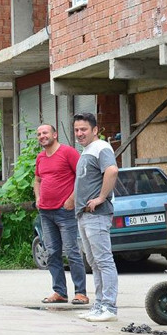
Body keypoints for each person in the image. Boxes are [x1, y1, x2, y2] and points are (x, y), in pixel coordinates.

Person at [33, 124, 88, 306]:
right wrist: (38, 197)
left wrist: (72, 199)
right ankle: (60, 292)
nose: (42, 136)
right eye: (39, 134)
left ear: (55, 134)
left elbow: (82, 177)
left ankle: (81, 293)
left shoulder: (68, 152)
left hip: (66, 211)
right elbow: (38, 180)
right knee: (52, 253)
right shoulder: (40, 157)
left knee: (72, 252)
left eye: (45, 133)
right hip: (46, 213)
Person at [73, 112, 119, 322]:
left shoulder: (101, 147)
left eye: (84, 129)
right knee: (94, 261)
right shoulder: (86, 150)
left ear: (95, 130)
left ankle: (109, 307)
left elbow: (111, 170)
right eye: (76, 130)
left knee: (103, 260)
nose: (80, 133)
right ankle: (99, 305)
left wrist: (101, 197)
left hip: (96, 214)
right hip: (84, 215)